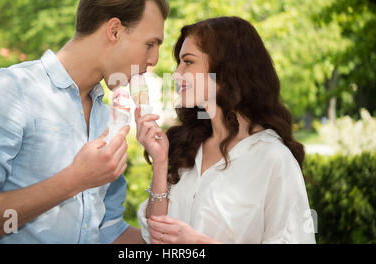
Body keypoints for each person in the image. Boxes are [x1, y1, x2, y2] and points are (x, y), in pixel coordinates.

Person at [0, 0, 169, 244]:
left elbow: (107, 231)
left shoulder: (104, 117)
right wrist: (75, 179)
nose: (153, 60)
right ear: (114, 30)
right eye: (150, 44)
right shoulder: (10, 90)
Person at [135, 16, 316, 244]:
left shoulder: (273, 158)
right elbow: (156, 236)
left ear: (227, 69)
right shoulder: (187, 145)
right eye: (178, 63)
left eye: (188, 62)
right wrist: (160, 163)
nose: (177, 74)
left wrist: (199, 244)